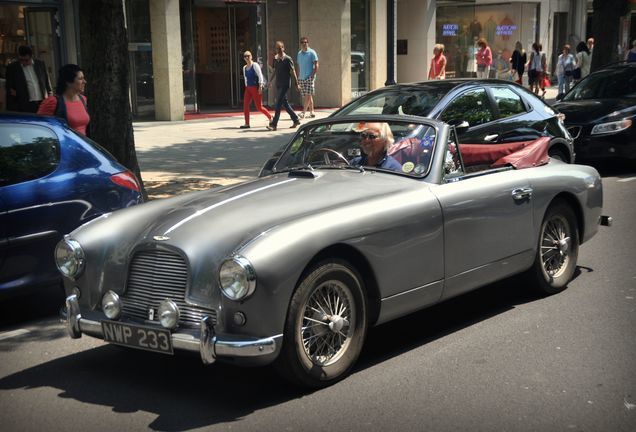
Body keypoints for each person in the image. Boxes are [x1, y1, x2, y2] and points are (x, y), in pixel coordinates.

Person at [37, 64, 90, 136]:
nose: (84, 82)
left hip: (81, 145)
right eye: (80, 79)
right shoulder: (53, 102)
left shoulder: (83, 99)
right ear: (68, 82)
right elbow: (39, 127)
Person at [5, 45, 52, 113]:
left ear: (31, 56)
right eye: (21, 60)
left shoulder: (40, 64)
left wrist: (50, 97)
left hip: (42, 102)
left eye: (26, 60)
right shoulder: (12, 68)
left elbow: (47, 83)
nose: (23, 62)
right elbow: (9, 89)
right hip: (25, 105)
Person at [267, 41, 301, 131]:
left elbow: (293, 71)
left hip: (285, 84)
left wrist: (296, 83)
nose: (279, 50)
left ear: (283, 48)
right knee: (284, 103)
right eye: (277, 48)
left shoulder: (288, 59)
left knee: (278, 103)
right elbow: (275, 71)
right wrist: (270, 81)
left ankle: (274, 124)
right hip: (278, 84)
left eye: (280, 48)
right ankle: (296, 119)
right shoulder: (276, 59)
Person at [240, 50, 271, 129]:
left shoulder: (255, 65)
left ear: (251, 57)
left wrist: (260, 86)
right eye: (245, 56)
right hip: (248, 88)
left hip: (255, 87)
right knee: (245, 105)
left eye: (248, 56)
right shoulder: (244, 68)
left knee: (259, 107)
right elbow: (245, 78)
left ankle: (271, 118)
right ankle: (247, 123)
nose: (247, 57)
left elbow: (260, 75)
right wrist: (246, 87)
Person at [296, 36, 319, 119]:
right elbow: (298, 66)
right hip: (301, 77)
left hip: (310, 77)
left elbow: (316, 64)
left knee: (308, 94)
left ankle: (303, 112)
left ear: (308, 43)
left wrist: (312, 75)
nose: (304, 44)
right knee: (308, 95)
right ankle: (312, 111)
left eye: (305, 42)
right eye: (302, 42)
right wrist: (298, 78)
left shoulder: (312, 52)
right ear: (300, 44)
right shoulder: (299, 54)